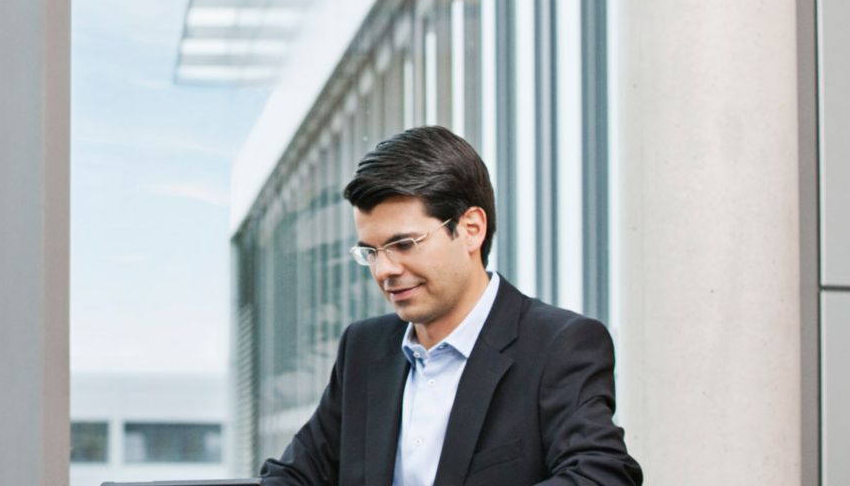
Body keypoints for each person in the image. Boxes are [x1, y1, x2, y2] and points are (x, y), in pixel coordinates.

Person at [259, 126, 642, 486]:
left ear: (471, 229)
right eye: (371, 252)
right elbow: (293, 474)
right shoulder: (363, 348)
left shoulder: (559, 345)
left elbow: (600, 474)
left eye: (404, 244)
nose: (385, 270)